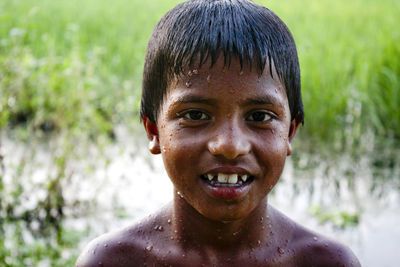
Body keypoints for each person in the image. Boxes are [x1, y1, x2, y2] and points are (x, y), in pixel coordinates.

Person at [76, 0, 361, 266]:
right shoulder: (115, 260)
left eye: (259, 116)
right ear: (154, 130)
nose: (229, 145)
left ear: (289, 132)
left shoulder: (324, 262)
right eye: (195, 115)